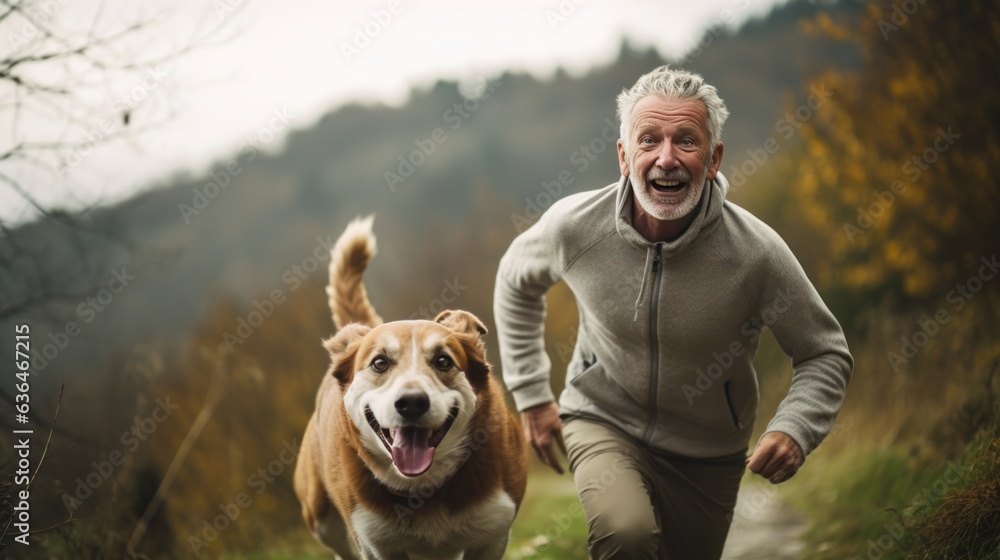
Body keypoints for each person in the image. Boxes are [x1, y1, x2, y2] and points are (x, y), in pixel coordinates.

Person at [493, 65, 853, 559]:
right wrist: (532, 394)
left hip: (710, 451)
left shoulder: (757, 255)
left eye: (686, 140)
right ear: (624, 156)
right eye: (648, 140)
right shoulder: (574, 227)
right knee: (627, 535)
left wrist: (796, 426)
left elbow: (824, 352)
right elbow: (515, 280)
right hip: (602, 418)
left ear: (713, 158)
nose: (666, 159)